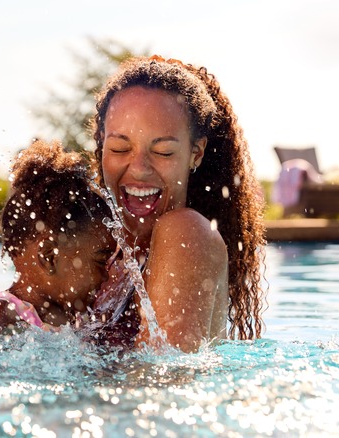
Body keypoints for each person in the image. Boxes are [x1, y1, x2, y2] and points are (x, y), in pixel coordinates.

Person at [89, 55, 267, 352]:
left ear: (196, 154)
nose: (139, 168)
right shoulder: (108, 253)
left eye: (163, 152)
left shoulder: (185, 233)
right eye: (120, 148)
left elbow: (163, 383)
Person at [0, 140, 117, 359]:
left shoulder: (76, 317)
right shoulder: (3, 315)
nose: (107, 275)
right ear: (49, 257)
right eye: (101, 261)